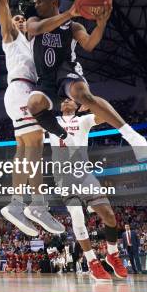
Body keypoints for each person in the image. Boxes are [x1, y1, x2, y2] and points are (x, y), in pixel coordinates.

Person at [0, 0, 65, 236]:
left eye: (21, 19)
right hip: (21, 91)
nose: (18, 21)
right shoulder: (10, 37)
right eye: (15, 20)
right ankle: (36, 204)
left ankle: (18, 203)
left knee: (24, 148)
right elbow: (3, 2)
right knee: (35, 146)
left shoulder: (34, 44)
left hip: (22, 93)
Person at [24, 0, 147, 163]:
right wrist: (70, 13)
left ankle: (133, 137)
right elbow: (38, 29)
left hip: (66, 71)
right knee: (34, 104)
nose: (36, 5)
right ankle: (65, 137)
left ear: (54, 2)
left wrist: (101, 25)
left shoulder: (74, 26)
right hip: (46, 79)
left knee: (82, 95)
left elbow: (89, 44)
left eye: (40, 1)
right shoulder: (33, 20)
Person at [49, 98, 128, 281]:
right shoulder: (54, 121)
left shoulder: (83, 120)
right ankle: (92, 261)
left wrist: (91, 104)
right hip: (63, 175)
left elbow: (106, 115)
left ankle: (112, 254)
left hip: (84, 173)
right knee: (77, 217)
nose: (67, 101)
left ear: (76, 106)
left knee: (108, 215)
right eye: (64, 100)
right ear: (60, 107)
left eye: (71, 99)